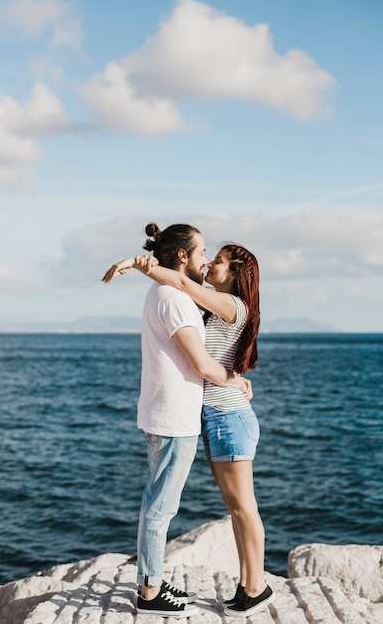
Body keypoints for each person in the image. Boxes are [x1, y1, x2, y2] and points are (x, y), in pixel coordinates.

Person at [104, 235, 276, 619]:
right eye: (208, 256)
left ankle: (256, 587)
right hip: (216, 417)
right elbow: (182, 284)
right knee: (236, 507)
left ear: (235, 274)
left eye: (219, 260)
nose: (210, 263)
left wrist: (138, 264)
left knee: (244, 507)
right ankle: (249, 586)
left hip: (228, 417)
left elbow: (181, 282)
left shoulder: (233, 304)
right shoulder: (212, 305)